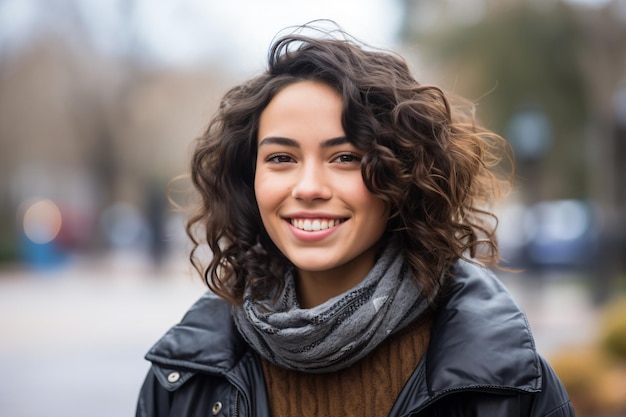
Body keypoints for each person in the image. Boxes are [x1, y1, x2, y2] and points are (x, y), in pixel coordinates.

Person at [136, 23, 574, 417]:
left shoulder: (511, 386)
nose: (308, 187)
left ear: (402, 177)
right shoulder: (182, 382)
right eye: (281, 158)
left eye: (345, 157)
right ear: (248, 179)